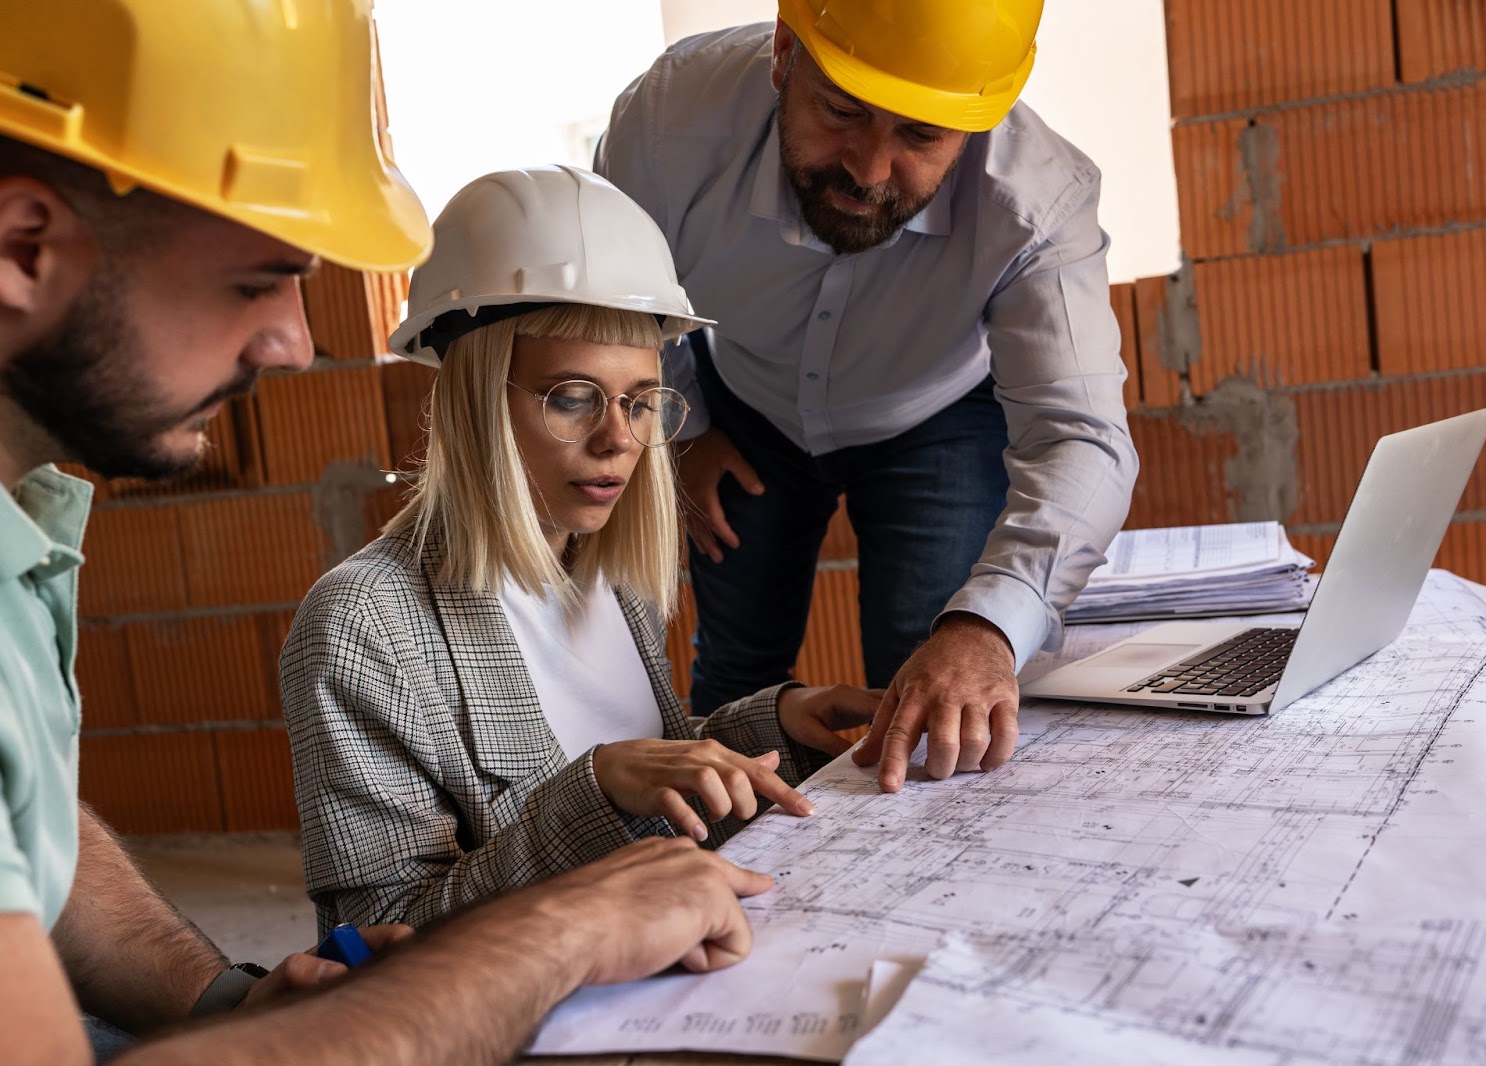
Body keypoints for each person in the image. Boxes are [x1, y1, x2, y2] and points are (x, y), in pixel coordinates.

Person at [0, 4, 777, 1064]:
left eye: (643, 401)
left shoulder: (25, 541)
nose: (293, 344)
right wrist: (564, 924)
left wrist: (228, 1001)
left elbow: (33, 836)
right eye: (254, 280)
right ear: (19, 246)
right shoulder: (366, 617)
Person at [283, 165, 878, 936]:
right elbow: (377, 940)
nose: (619, 440)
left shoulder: (603, 570)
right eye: (572, 396)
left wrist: (775, 726)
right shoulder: (363, 626)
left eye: (639, 402)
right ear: (476, 399)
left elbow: (653, 768)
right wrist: (591, 790)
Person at [596, 0, 1139, 793]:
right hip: (742, 405)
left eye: (920, 136)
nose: (869, 169)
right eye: (842, 112)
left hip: (937, 415)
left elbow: (1081, 438)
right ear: (786, 51)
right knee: (738, 678)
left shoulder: (1041, 202)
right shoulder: (670, 117)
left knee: (925, 690)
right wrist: (681, 424)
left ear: (976, 121)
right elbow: (617, 297)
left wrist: (989, 625)